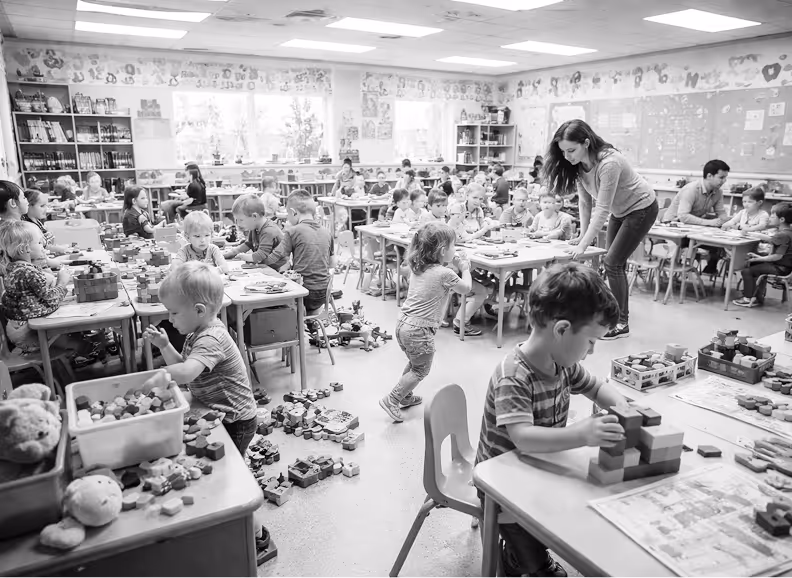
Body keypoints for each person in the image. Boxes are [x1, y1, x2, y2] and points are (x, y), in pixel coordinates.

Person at [475, 262, 627, 578]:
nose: (591, 351)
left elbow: (597, 387)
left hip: (537, 469)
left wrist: (623, 406)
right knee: (538, 563)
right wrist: (582, 434)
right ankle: (517, 559)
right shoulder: (514, 376)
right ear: (561, 330)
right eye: (590, 342)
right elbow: (524, 439)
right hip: (503, 487)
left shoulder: (562, 363)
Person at [545, 119, 658, 340]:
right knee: (613, 264)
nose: (567, 156)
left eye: (571, 150)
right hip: (620, 210)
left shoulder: (610, 163)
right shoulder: (578, 165)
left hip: (641, 207)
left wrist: (584, 244)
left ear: (586, 143)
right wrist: (582, 237)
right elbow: (585, 203)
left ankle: (622, 323)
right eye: (563, 151)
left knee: (612, 263)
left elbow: (602, 209)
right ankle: (612, 315)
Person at [143, 262, 257, 455]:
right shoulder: (198, 331)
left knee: (229, 463)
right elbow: (184, 366)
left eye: (174, 313)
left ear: (199, 310)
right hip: (215, 409)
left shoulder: (211, 339)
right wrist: (164, 346)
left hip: (235, 420)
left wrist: (161, 375)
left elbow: (186, 373)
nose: (169, 319)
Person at [379, 222, 473, 422]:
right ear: (441, 251)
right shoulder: (445, 274)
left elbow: (437, 278)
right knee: (421, 369)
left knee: (414, 364)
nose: (456, 250)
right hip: (420, 330)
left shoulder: (419, 267)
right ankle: (392, 399)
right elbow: (465, 288)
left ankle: (405, 395)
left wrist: (451, 264)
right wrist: (465, 269)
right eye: (454, 246)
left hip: (403, 324)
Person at [257, 190, 335, 315]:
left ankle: (298, 326)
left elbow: (275, 257)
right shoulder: (327, 232)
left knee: (268, 296)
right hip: (323, 294)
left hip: (303, 293)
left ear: (293, 212)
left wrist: (257, 262)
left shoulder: (293, 231)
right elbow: (332, 264)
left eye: (287, 214)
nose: (287, 217)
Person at [0, 220, 70, 354]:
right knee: (73, 334)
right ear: (24, 249)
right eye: (39, 243)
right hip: (28, 335)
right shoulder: (28, 272)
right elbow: (50, 298)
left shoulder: (14, 268)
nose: (43, 246)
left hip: (17, 330)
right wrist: (62, 283)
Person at [662, 160, 730, 274]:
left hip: (692, 228)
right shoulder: (691, 189)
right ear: (709, 176)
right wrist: (709, 222)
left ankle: (709, 269)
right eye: (721, 177)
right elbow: (683, 216)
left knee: (720, 245)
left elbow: (721, 212)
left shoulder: (718, 192)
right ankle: (677, 271)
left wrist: (728, 222)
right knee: (695, 243)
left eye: (725, 178)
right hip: (673, 228)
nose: (724, 181)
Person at [733, 202, 792, 308]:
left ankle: (748, 298)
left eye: (773, 215)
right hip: (782, 265)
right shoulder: (787, 232)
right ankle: (757, 295)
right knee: (753, 266)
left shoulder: (783, 235)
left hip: (780, 267)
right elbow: (770, 239)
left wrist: (758, 259)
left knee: (747, 271)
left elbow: (777, 257)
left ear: (782, 219)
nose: (770, 217)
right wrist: (759, 257)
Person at [223, 194, 287, 268]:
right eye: (237, 220)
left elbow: (260, 255)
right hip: (267, 266)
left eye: (241, 220)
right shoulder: (254, 227)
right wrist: (233, 252)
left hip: (280, 268)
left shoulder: (268, 230)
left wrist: (242, 257)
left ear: (254, 216)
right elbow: (248, 244)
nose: (238, 224)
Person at [23, 188, 68, 255]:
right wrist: (60, 249)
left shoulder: (37, 221)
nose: (46, 209)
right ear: (29, 206)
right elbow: (41, 247)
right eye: (42, 206)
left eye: (46, 205)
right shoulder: (28, 226)